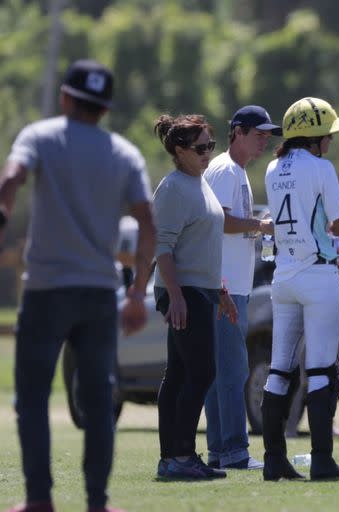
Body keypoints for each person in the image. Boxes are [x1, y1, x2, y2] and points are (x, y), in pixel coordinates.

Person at [0, 59, 155, 512]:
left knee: (31, 398)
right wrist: (136, 291)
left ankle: (39, 500)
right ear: (106, 108)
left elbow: (12, 177)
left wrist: (5, 210)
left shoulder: (40, 136)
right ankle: (97, 502)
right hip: (98, 294)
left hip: (47, 290)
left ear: (66, 97)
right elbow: (147, 219)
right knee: (98, 397)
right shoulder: (125, 153)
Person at [261, 97, 339, 481]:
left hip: (283, 278)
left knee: (279, 370)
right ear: (314, 136)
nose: (330, 140)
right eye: (327, 134)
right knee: (320, 370)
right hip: (317, 277)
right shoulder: (321, 168)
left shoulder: (272, 167)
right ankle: (321, 460)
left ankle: (273, 460)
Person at [152, 113, 238, 480]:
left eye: (210, 147)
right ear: (179, 150)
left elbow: (201, 246)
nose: (207, 154)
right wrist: (176, 296)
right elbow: (163, 246)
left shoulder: (200, 183)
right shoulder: (173, 188)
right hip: (181, 290)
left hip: (199, 289)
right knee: (201, 372)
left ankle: (172, 457)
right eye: (200, 148)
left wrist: (220, 291)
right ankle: (181, 456)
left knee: (180, 374)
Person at [202, 105, 280, 471]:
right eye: (258, 133)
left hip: (231, 285)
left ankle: (221, 451)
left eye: (267, 134)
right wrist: (261, 226)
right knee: (232, 370)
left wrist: (254, 226)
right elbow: (218, 222)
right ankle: (233, 451)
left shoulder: (237, 172)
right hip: (224, 286)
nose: (265, 139)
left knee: (224, 371)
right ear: (237, 132)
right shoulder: (225, 170)